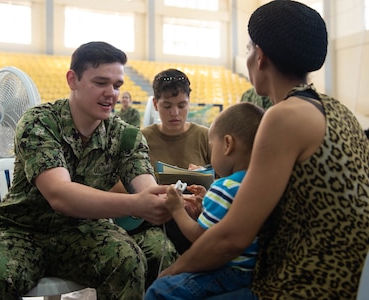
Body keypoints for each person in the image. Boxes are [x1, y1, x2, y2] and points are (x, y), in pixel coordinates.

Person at [153, 1, 369, 299]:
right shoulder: (338, 111)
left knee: (164, 291)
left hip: (303, 284)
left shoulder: (284, 117)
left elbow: (231, 239)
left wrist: (172, 271)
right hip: (353, 278)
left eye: (248, 49)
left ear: (260, 56)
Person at [0, 41, 178, 300]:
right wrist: (136, 204)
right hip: (22, 231)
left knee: (127, 259)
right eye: (100, 83)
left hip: (83, 233)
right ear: (72, 79)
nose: (112, 93)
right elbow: (60, 194)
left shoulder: (125, 135)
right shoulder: (39, 122)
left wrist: (169, 201)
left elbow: (146, 188)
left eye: (117, 85)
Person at [145, 102, 265, 299]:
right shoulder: (261, 185)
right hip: (255, 271)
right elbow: (225, 225)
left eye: (211, 145)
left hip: (229, 272)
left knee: (160, 290)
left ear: (227, 144)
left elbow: (201, 238)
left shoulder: (224, 187)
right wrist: (203, 208)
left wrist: (177, 209)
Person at [141, 68, 211, 254]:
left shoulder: (206, 137)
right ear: (155, 104)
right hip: (157, 223)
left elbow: (226, 181)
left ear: (190, 103)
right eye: (167, 106)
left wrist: (206, 177)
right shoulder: (142, 139)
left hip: (200, 219)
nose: (175, 113)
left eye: (181, 106)